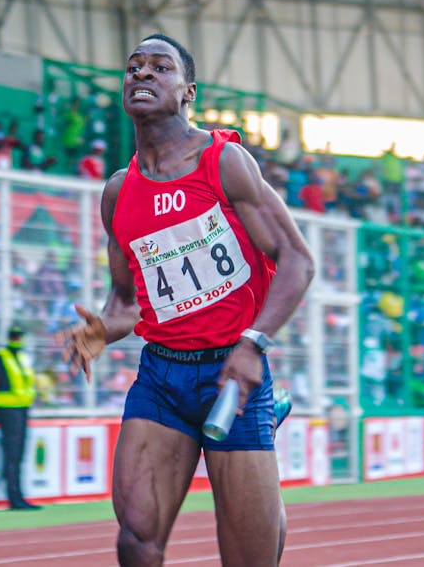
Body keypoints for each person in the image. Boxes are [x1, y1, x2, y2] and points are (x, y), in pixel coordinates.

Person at [60, 34, 313, 566]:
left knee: (249, 559)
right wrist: (102, 329)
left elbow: (297, 260)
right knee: (135, 538)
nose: (142, 74)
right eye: (134, 67)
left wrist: (252, 345)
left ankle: (264, 439)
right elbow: (128, 303)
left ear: (187, 91)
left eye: (160, 67)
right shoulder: (118, 193)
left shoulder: (225, 163)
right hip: (163, 378)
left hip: (233, 375)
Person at [0, 325, 40, 511]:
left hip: (22, 409)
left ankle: (18, 494)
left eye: (19, 336)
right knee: (12, 454)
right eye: (15, 336)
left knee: (18, 454)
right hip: (7, 409)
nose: (17, 340)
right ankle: (13, 496)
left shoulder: (23, 358)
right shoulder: (2, 357)